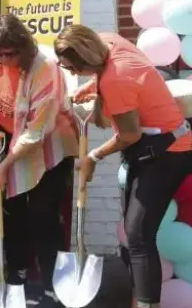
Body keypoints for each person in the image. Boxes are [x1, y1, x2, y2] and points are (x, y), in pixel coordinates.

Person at [55, 24, 192, 308]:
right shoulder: (108, 41)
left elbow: (130, 134)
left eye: (72, 67)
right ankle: (141, 298)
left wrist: (93, 157)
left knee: (139, 235)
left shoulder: (116, 81)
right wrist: (93, 86)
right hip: (154, 147)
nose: (71, 74)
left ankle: (146, 304)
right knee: (135, 235)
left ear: (86, 57)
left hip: (170, 151)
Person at [0, 14, 77, 307]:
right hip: (9, 141)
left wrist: (6, 167)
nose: (4, 60)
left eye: (11, 53)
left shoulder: (45, 68)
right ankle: (16, 279)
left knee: (44, 216)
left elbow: (37, 131)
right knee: (12, 215)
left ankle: (52, 286)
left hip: (49, 148)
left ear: (24, 47)